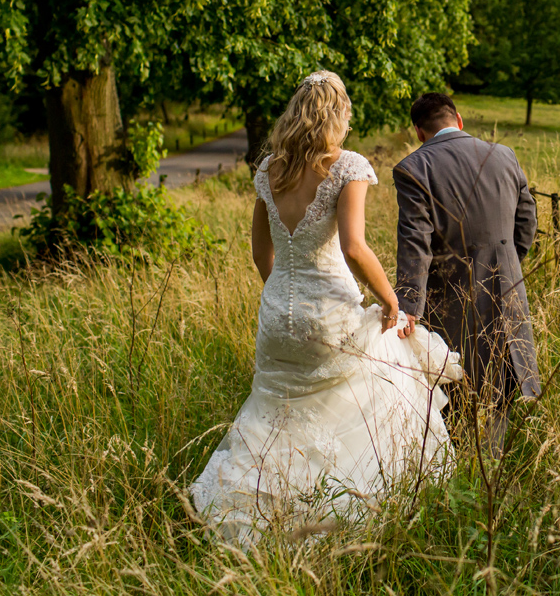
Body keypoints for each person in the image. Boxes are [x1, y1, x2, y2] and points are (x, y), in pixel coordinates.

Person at [190, 71, 461, 547]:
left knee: (275, 413)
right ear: (339, 117)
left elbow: (260, 254)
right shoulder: (347, 166)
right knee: (384, 385)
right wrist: (390, 299)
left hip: (276, 315)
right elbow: (355, 248)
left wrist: (281, 298)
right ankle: (352, 508)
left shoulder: (269, 169)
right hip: (330, 315)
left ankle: (251, 510)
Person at [393, 93, 539, 456]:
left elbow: (415, 243)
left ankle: (463, 473)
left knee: (458, 382)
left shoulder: (414, 168)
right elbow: (527, 221)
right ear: (457, 119)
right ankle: (491, 463)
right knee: (502, 378)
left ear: (419, 131)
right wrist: (506, 263)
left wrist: (409, 304)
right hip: (508, 288)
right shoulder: (504, 154)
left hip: (451, 296)